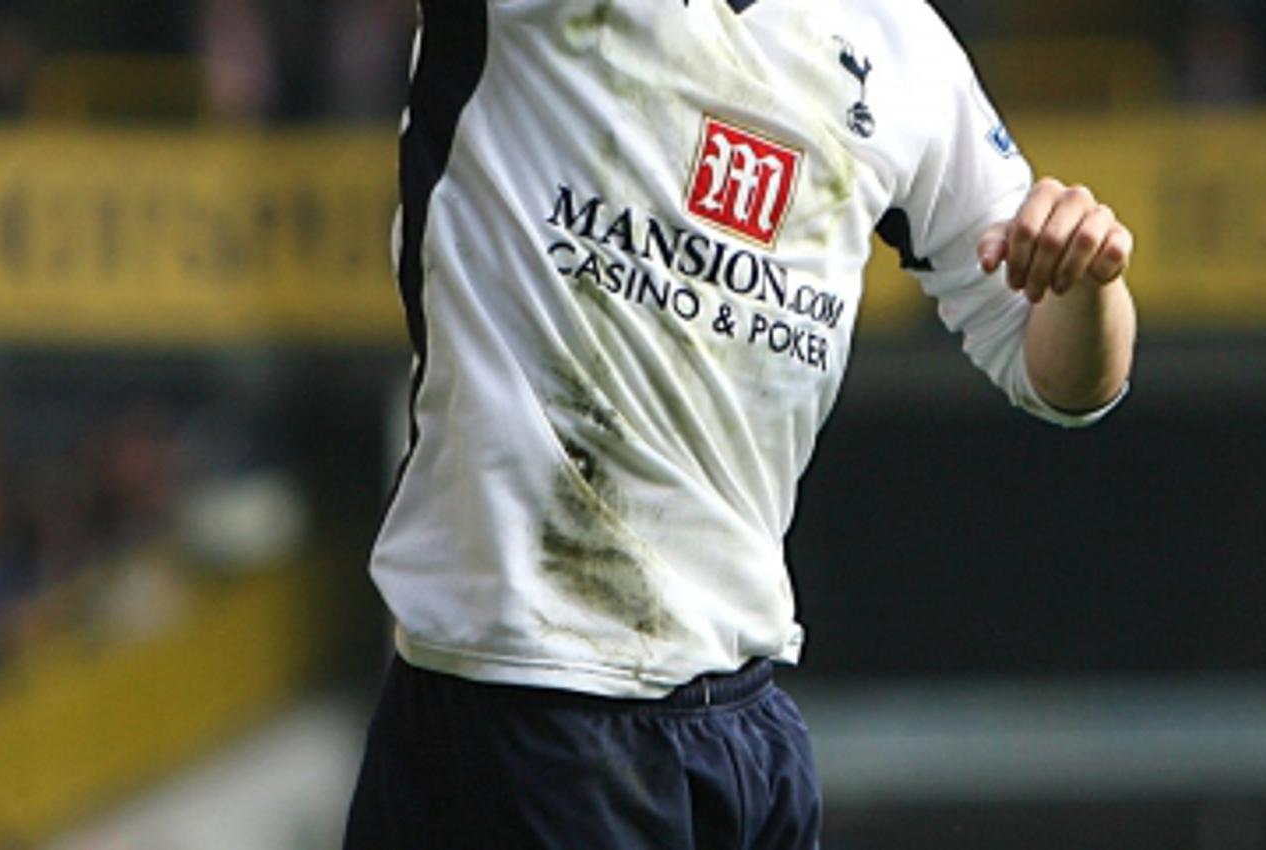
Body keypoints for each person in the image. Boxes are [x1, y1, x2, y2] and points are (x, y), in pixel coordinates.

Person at [344, 0, 1137, 847]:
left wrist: (1086, 280)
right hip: (527, 699)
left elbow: (1061, 376)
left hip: (746, 724)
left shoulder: (899, 42)